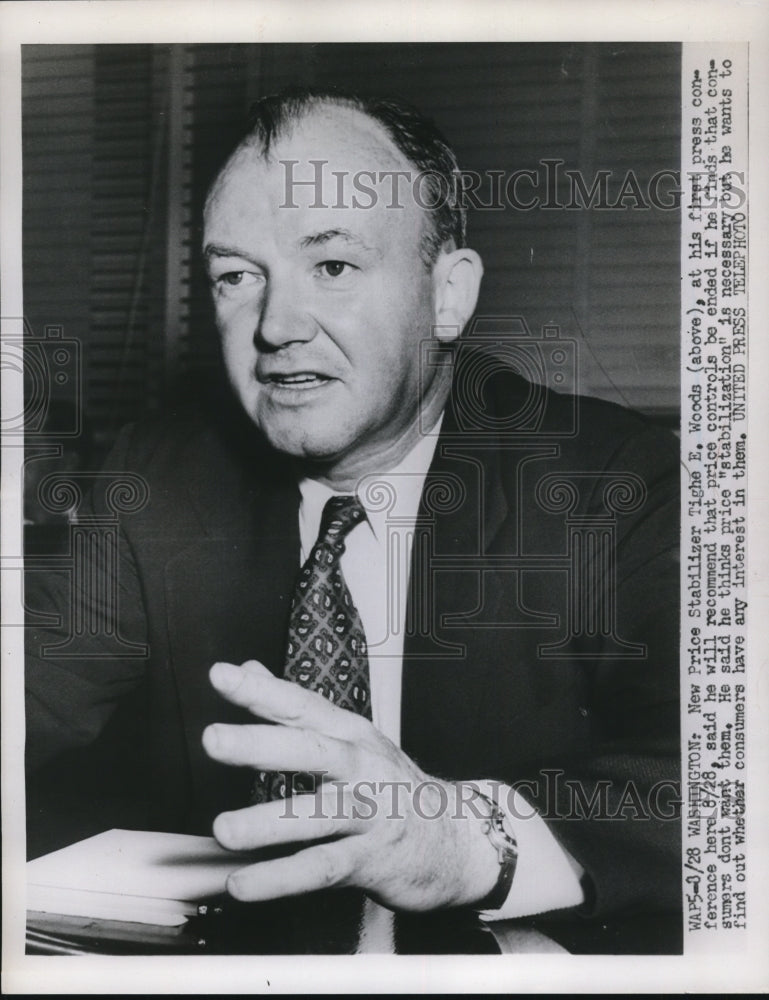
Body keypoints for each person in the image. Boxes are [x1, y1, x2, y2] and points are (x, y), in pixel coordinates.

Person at [25, 88, 680, 949]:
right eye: (236, 277)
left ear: (448, 295)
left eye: (331, 267)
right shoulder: (157, 478)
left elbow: (719, 773)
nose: (275, 327)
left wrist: (467, 839)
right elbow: (32, 690)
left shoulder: (619, 482)